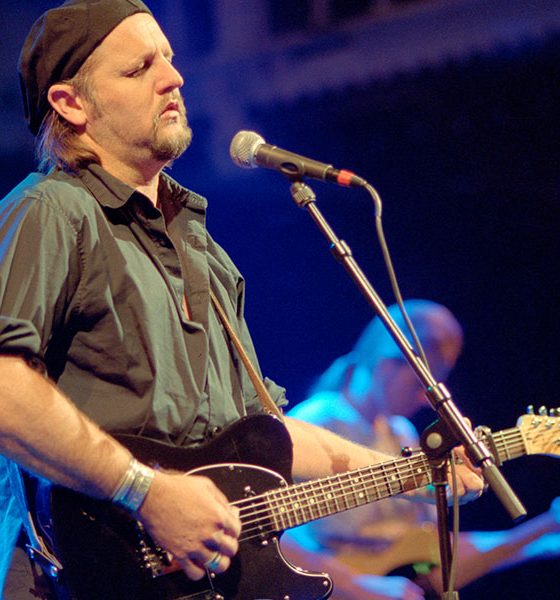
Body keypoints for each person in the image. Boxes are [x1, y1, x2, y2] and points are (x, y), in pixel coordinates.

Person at [0, 3, 484, 599]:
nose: (173, 78)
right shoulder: (51, 210)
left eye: (171, 61)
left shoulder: (203, 250)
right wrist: (145, 491)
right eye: (139, 68)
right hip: (78, 578)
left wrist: (414, 474)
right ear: (71, 104)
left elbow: (267, 435)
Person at [283, 299, 560, 599]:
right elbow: (275, 537)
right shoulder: (316, 422)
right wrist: (356, 588)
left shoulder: (401, 432)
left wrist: (540, 533)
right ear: (386, 362)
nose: (424, 401)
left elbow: (426, 553)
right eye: (420, 385)